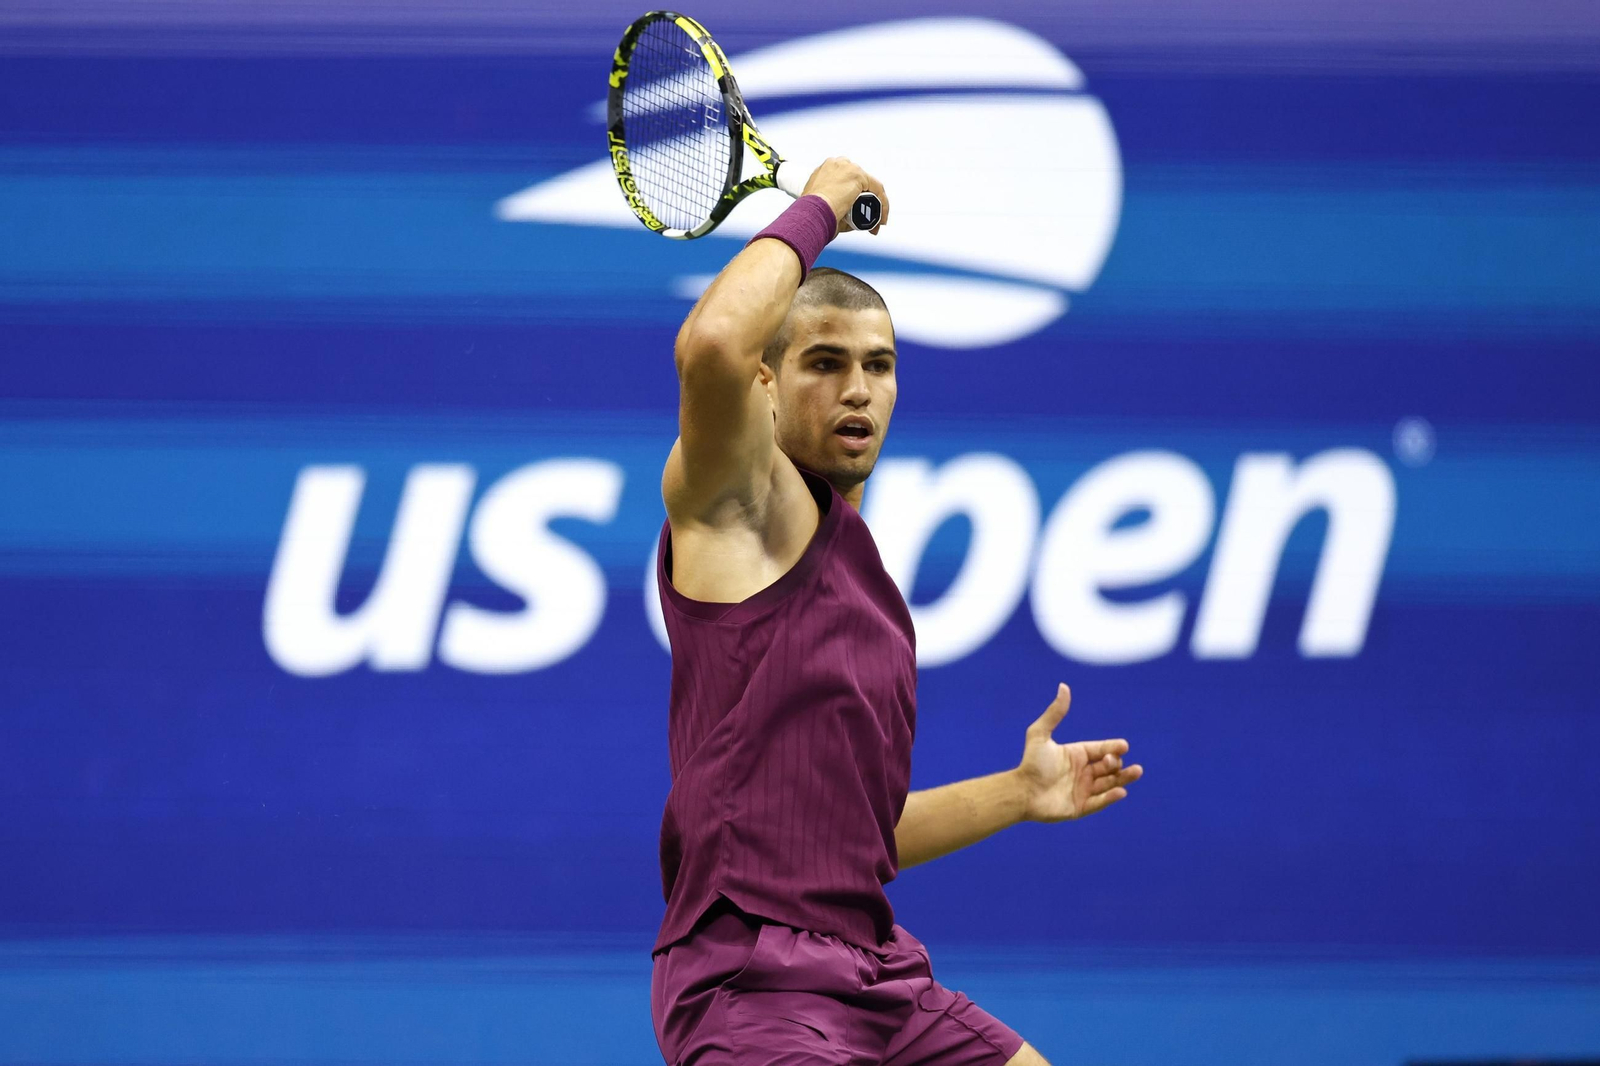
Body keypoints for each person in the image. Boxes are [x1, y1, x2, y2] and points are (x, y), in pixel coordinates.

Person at [651, 158, 1143, 1066]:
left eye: (879, 366)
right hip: (753, 986)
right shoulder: (734, 506)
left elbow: (848, 846)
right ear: (765, 385)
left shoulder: (860, 577)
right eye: (826, 363)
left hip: (878, 975)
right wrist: (819, 209)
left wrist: (1017, 793)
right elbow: (713, 344)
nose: (859, 390)